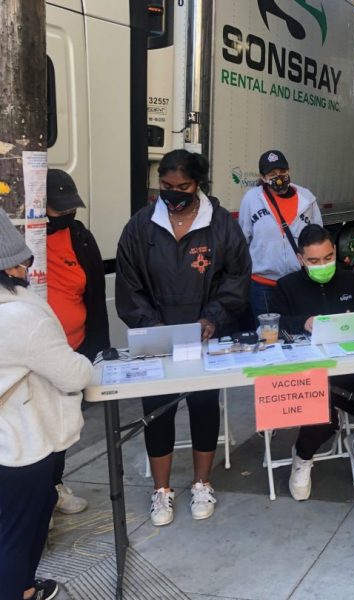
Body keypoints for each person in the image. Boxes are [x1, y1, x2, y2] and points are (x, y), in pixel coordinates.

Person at [116, 149, 251, 526]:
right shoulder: (141, 226)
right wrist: (153, 326)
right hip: (157, 337)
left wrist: (214, 317)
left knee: (204, 406)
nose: (173, 193)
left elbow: (238, 277)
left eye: (183, 186)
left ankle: (201, 483)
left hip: (204, 336)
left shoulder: (220, 224)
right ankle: (161, 491)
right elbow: (129, 284)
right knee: (157, 411)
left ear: (199, 184)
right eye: (165, 185)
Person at [0, 208, 94, 600]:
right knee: (19, 534)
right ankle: (17, 590)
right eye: (22, 262)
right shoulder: (19, 316)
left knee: (11, 528)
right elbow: (73, 374)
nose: (26, 268)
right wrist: (88, 364)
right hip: (21, 443)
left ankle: (23, 588)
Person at [271, 224, 354, 500]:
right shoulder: (286, 287)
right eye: (314, 261)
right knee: (322, 418)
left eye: (328, 257)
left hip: (350, 369)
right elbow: (272, 324)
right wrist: (303, 322)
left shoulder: (350, 280)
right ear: (300, 259)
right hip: (308, 374)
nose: (323, 265)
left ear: (335, 251)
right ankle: (303, 457)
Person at [45, 169, 111, 517]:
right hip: (34, 357)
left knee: (64, 428)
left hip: (73, 349)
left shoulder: (80, 237)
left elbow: (96, 295)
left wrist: (98, 349)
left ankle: (54, 486)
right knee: (35, 430)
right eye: (59, 209)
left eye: (71, 208)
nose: (67, 214)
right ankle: (37, 495)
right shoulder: (20, 236)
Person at [238, 149, 322, 323]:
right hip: (263, 286)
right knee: (268, 333)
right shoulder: (252, 199)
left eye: (282, 171)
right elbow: (242, 240)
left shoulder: (307, 199)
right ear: (263, 177)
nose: (279, 177)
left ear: (289, 170)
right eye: (272, 174)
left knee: (300, 329)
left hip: (298, 283)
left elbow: (317, 237)